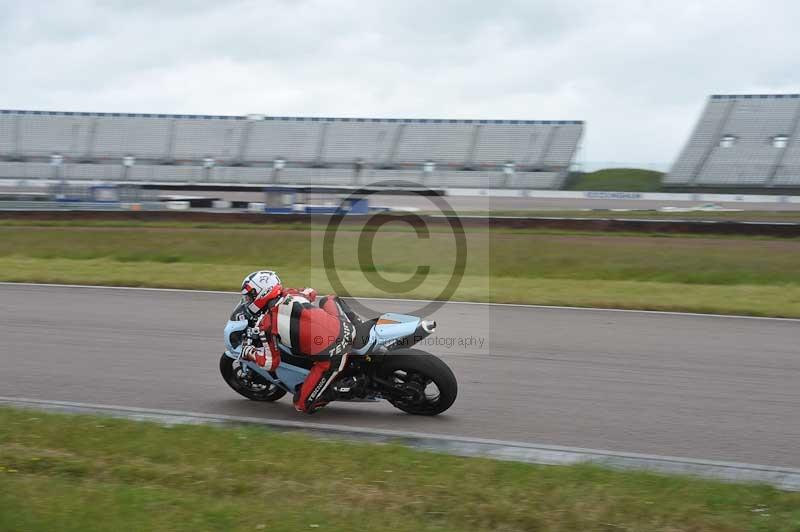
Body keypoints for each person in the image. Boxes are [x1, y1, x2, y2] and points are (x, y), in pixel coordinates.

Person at [238, 270, 364, 414]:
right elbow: (311, 292)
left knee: (302, 404)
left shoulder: (266, 325)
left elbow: (270, 363)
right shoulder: (291, 294)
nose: (248, 301)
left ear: (262, 294)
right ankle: (360, 326)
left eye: (250, 297)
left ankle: (351, 385)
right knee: (329, 299)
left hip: (334, 354)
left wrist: (249, 352)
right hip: (345, 326)